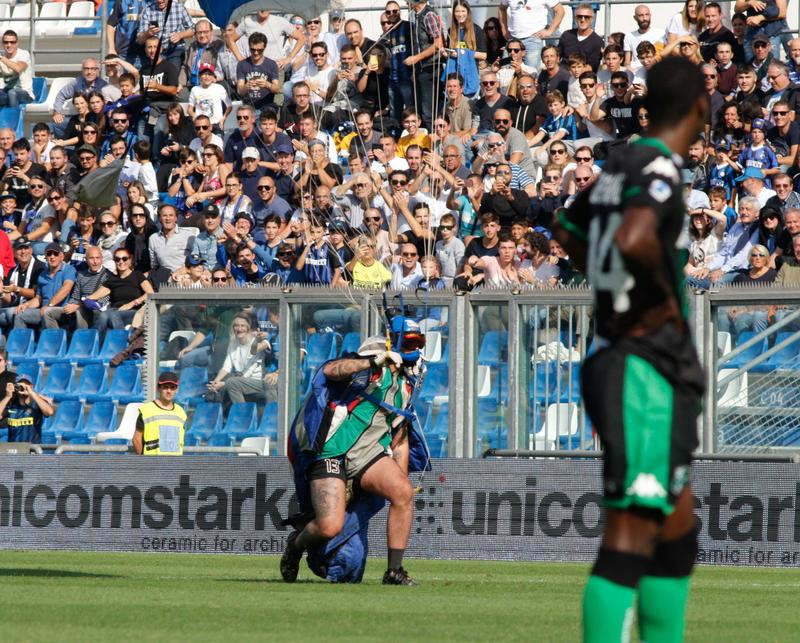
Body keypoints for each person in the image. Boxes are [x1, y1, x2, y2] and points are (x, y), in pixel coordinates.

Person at [554, 57, 707, 643]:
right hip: (642, 364)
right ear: (699, 107)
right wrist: (657, 303)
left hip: (629, 358)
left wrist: (610, 285)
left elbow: (567, 229)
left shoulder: (620, 162)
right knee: (631, 533)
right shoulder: (659, 166)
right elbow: (635, 236)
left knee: (676, 532)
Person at [282, 321, 426, 585]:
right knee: (329, 526)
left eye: (418, 343)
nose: (414, 349)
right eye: (409, 342)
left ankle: (394, 571)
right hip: (333, 450)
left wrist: (401, 476)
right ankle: (296, 545)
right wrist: (373, 361)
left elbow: (400, 439)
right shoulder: (366, 368)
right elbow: (331, 370)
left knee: (403, 492)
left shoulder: (407, 386)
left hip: (369, 454)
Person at [133, 371, 187, 456]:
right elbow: (137, 438)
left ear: (176, 390)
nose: (169, 391)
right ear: (158, 388)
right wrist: (143, 460)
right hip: (152, 462)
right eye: (165, 387)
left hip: (175, 462)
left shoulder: (181, 413)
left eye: (172, 387)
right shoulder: (147, 410)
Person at [499, 0, 564, 69]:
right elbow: (501, 8)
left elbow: (560, 10)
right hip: (513, 39)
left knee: (531, 72)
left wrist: (550, 31)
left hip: (533, 40)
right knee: (504, 69)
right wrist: (504, 29)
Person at [0, 373, 53, 444]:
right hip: (14, 448)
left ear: (31, 386)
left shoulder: (37, 403)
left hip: (32, 448)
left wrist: (32, 393)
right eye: (20, 385)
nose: (23, 388)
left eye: (27, 385)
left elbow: (49, 412)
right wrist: (7, 396)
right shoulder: (10, 403)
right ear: (15, 387)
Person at [0, 29, 34, 108]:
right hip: (6, 91)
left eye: (12, 42)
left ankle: (14, 116)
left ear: (17, 43)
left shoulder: (24, 54)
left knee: (12, 93)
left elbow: (18, 68)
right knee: (8, 93)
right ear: (2, 44)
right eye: (6, 42)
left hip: (25, 93)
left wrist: (1, 58)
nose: (9, 45)